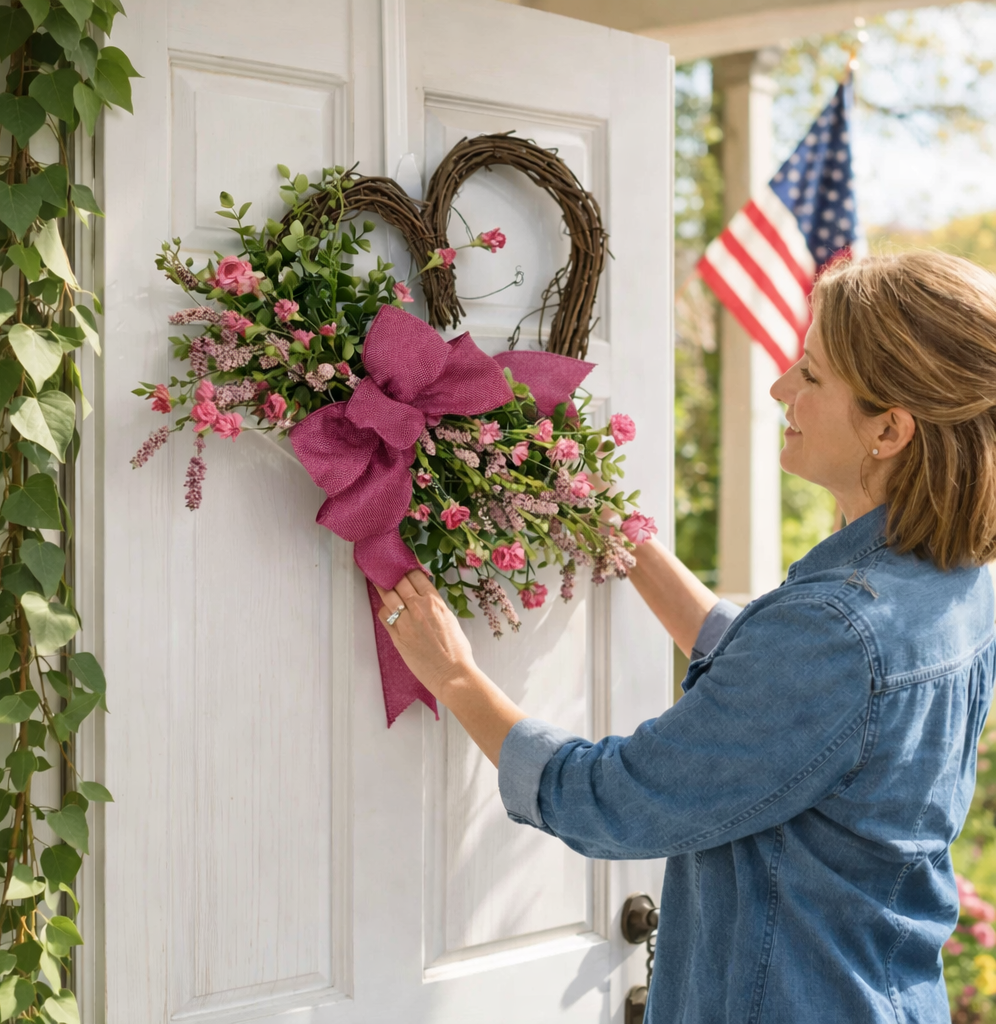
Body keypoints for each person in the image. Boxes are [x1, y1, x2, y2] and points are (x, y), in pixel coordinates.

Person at [373, 250, 996, 1024]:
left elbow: (612, 800)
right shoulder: (952, 583)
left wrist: (457, 675)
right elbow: (785, 694)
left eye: (812, 375)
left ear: (891, 430)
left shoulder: (837, 634)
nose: (780, 390)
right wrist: (628, 541)